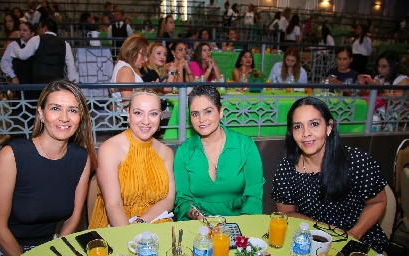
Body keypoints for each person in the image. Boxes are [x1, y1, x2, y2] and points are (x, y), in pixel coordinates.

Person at [0, 79, 97, 255]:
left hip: (47, 247)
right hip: (2, 248)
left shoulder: (81, 158)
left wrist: (55, 250)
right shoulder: (12, 155)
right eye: (55, 108)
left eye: (72, 110)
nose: (64, 117)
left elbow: (73, 219)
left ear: (80, 117)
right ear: (40, 112)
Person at [270, 97, 388, 253]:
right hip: (313, 239)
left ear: (329, 127)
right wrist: (326, 230)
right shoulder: (287, 167)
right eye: (298, 126)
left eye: (314, 124)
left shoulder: (355, 161)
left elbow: (377, 202)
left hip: (359, 239)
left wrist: (353, 234)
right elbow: (286, 212)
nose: (306, 133)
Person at [173, 85, 265, 220]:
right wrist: (199, 217)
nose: (201, 119)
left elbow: (254, 193)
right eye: (195, 114)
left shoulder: (245, 145)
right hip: (198, 226)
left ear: (221, 112)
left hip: (240, 221)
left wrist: (242, 225)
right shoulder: (184, 151)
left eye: (208, 111)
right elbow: (182, 200)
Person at [89, 88, 175, 228]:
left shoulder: (166, 152)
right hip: (116, 225)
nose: (146, 121)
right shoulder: (110, 149)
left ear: (160, 116)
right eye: (138, 113)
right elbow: (113, 205)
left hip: (154, 220)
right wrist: (129, 235)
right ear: (128, 114)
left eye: (153, 114)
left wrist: (140, 223)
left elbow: (169, 200)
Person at [11, 18, 77, 99]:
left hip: (40, 81)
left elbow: (23, 55)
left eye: (40, 28)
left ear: (45, 28)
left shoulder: (36, 39)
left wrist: (15, 49)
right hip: (57, 82)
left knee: (40, 105)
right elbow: (71, 65)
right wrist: (71, 81)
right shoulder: (65, 44)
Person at [357, 50, 409, 131]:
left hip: (395, 115)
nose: (380, 69)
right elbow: (367, 95)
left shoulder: (402, 80)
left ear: (394, 65)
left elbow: (396, 101)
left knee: (373, 119)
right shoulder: (379, 78)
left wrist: (381, 88)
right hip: (376, 109)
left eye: (384, 66)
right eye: (379, 66)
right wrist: (362, 84)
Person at [109, 34, 148, 109]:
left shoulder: (124, 66)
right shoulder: (125, 70)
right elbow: (127, 103)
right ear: (133, 52)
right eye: (144, 55)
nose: (146, 60)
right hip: (128, 117)